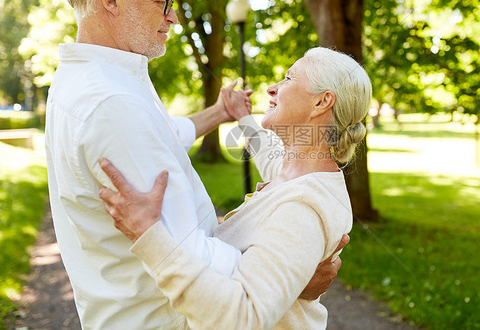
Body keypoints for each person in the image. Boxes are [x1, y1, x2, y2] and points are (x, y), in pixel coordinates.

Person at [46, 0, 342, 329]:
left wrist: (220, 113)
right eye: (162, 2)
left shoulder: (96, 79)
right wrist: (291, 274)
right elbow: (187, 252)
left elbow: (162, 135)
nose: (173, 18)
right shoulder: (111, 103)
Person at [99, 47, 372, 329]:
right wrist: (241, 115)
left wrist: (148, 235)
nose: (271, 89)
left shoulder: (302, 206)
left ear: (322, 102)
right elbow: (267, 154)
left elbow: (243, 318)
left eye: (289, 79)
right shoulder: (293, 172)